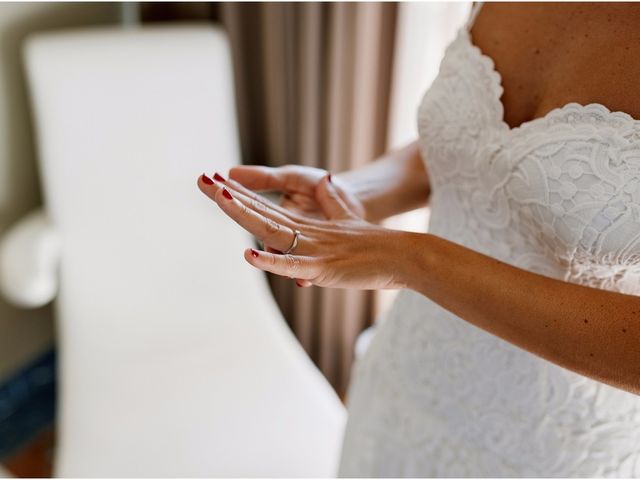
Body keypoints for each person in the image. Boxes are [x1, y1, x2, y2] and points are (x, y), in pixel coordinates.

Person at [198, 2, 640, 476]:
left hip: (552, 449)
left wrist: (411, 260)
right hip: (405, 390)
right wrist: (350, 191)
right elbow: (483, 147)